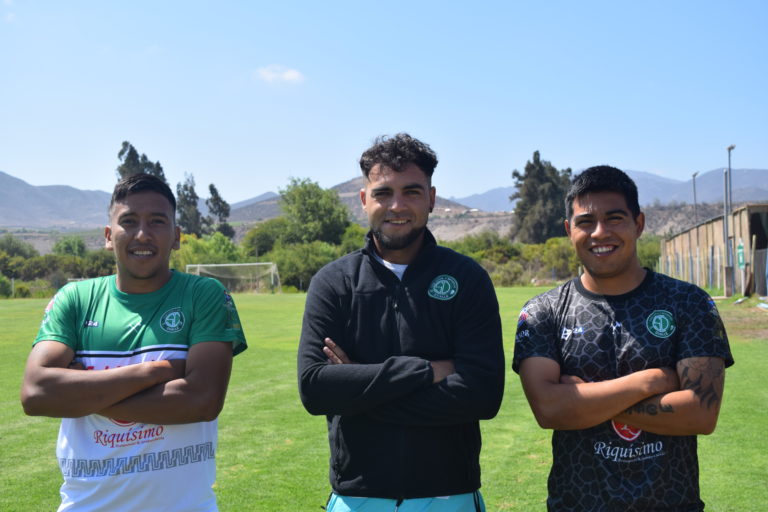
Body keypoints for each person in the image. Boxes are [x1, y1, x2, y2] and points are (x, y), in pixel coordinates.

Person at [297, 133, 505, 512]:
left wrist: (358, 389)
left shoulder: (467, 278)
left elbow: (483, 394)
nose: (397, 205)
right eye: (382, 193)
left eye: (411, 191)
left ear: (431, 198)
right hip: (356, 497)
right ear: (364, 200)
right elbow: (314, 388)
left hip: (449, 494)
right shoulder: (334, 282)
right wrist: (427, 371)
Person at [21, 173, 247, 512]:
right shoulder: (75, 299)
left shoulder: (205, 295)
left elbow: (201, 400)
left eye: (157, 221)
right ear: (109, 237)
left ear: (176, 236)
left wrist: (81, 395)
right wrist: (157, 371)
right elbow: (36, 394)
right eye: (129, 221)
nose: (143, 233)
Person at [513, 165, 734, 511]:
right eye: (586, 222)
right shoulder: (543, 312)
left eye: (615, 218)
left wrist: (582, 399)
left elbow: (700, 415)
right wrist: (652, 380)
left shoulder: (689, 303)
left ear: (639, 224)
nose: (600, 232)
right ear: (569, 230)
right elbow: (550, 409)